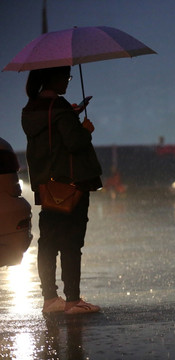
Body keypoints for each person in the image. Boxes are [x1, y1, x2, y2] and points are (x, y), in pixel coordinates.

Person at [21, 66, 103, 315]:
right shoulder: (60, 106)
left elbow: (52, 136)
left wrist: (71, 113)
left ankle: (50, 299)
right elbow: (74, 142)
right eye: (65, 77)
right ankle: (73, 301)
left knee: (48, 243)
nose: (67, 81)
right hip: (71, 184)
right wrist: (84, 129)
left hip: (47, 184)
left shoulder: (31, 109)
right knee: (71, 242)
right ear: (52, 78)